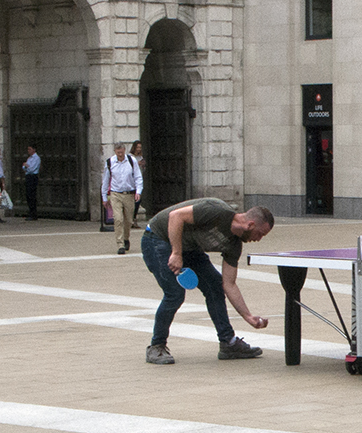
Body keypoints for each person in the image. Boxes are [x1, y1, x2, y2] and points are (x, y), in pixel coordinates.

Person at [141, 198, 274, 364]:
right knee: (174, 293)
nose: (259, 239)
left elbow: (229, 284)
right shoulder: (216, 211)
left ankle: (228, 343)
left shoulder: (234, 245)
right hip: (158, 238)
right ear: (250, 225)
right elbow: (176, 216)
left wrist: (248, 316)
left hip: (190, 247)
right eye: (260, 234)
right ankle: (157, 346)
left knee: (215, 285)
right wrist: (176, 253)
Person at [102, 142, 144, 255]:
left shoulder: (131, 161)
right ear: (115, 151)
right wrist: (104, 197)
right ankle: (120, 244)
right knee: (118, 219)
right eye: (118, 153)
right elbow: (106, 180)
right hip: (115, 194)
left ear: (124, 150)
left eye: (122, 152)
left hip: (129, 194)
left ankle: (126, 238)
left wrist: (138, 191)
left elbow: (138, 177)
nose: (120, 155)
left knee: (128, 220)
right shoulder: (110, 162)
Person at [22, 145, 41, 220]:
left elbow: (32, 169)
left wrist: (26, 166)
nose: (28, 151)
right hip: (28, 176)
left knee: (32, 195)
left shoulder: (36, 158)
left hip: (33, 177)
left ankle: (33, 214)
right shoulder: (29, 158)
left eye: (30, 149)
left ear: (34, 149)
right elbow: (24, 167)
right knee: (28, 195)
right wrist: (26, 166)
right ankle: (30, 212)